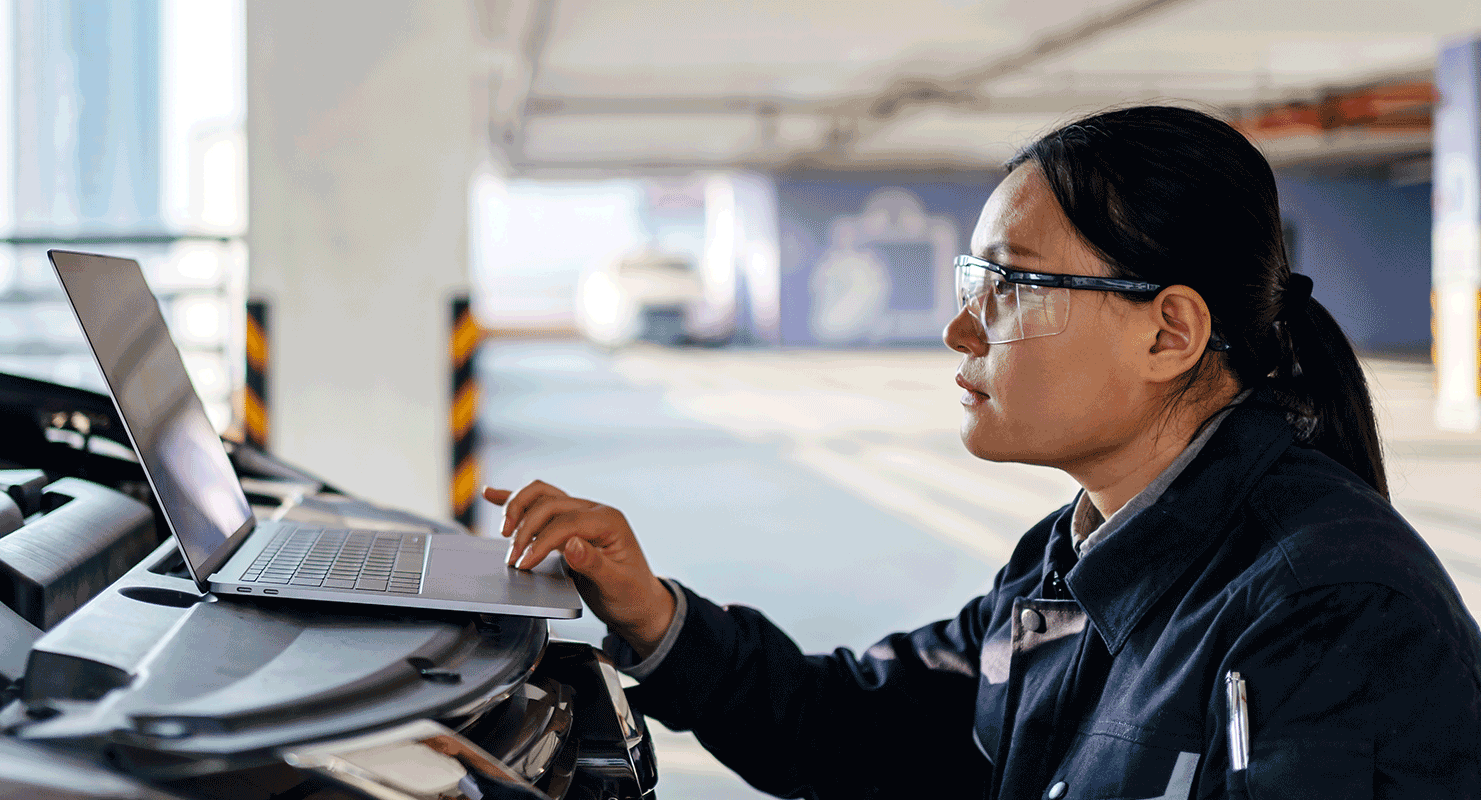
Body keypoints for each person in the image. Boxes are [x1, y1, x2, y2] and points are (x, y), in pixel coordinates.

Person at [482, 106, 1481, 799]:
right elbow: (860, 727)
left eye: (1013, 285)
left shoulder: (1329, 612)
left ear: (1169, 333)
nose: (963, 330)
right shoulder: (1066, 563)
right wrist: (652, 612)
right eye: (975, 280)